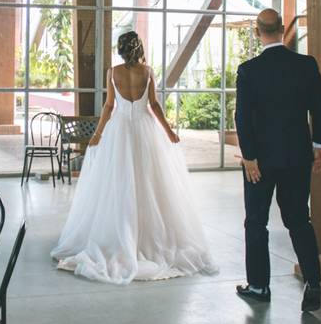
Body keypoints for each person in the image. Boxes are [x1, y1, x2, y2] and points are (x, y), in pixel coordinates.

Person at [51, 31, 218, 284]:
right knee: (149, 182)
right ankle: (147, 236)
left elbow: (109, 106)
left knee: (117, 183)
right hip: (145, 129)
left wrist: (97, 135)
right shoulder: (148, 71)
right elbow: (154, 105)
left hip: (119, 129)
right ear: (138, 47)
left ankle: (121, 234)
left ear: (120, 49)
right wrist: (169, 131)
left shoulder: (113, 72)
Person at [234, 8, 321, 312]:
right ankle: (313, 284)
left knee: (256, 222)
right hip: (297, 157)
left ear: (258, 32)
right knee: (299, 219)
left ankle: (259, 286)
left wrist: (249, 157)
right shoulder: (305, 65)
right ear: (283, 28)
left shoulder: (249, 70)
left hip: (260, 162)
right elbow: (320, 108)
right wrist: (320, 145)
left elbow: (242, 117)